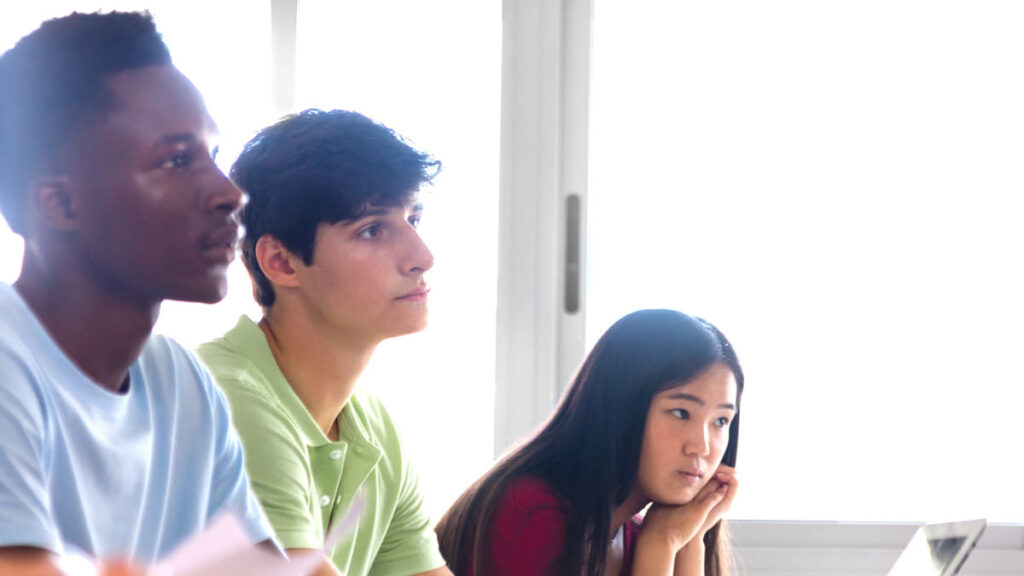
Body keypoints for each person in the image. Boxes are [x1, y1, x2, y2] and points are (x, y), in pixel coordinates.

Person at [0, 10, 273, 576]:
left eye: (213, 156)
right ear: (61, 204)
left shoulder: (182, 382)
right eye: (177, 160)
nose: (229, 193)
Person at [197, 109, 452, 576]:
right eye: (373, 230)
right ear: (281, 262)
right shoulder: (226, 403)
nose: (423, 257)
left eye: (413, 217)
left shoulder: (372, 427)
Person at [436, 309, 744, 576]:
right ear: (620, 407)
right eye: (680, 413)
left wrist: (689, 540)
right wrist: (660, 546)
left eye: (720, 422)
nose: (702, 447)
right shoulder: (530, 510)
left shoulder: (641, 531)